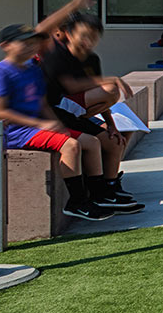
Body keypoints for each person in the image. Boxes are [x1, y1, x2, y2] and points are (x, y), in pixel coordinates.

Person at [0, 0, 114, 223]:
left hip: (35, 127)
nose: (31, 46)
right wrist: (40, 123)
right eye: (23, 42)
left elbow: (41, 102)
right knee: (70, 146)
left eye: (32, 42)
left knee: (90, 141)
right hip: (14, 133)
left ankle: (99, 195)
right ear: (6, 46)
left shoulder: (31, 69)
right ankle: (77, 202)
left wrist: (52, 122)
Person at [41, 15, 143, 214]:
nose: (89, 40)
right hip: (57, 113)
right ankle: (96, 194)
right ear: (69, 34)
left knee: (115, 140)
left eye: (94, 36)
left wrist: (111, 124)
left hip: (78, 113)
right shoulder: (57, 56)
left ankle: (109, 189)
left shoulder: (92, 59)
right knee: (111, 89)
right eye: (84, 35)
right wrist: (111, 79)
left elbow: (100, 96)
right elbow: (70, 85)